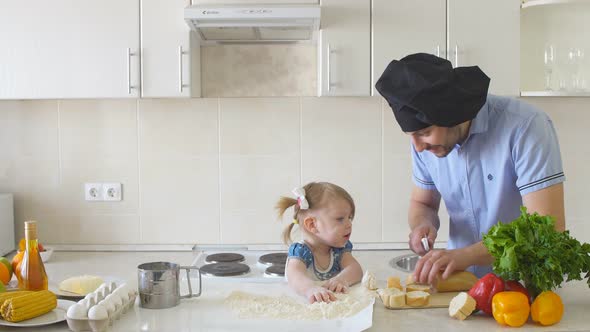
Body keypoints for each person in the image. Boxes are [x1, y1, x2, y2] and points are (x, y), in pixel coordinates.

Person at [375, 53, 566, 285]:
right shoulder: (425, 146)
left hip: (523, 287)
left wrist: (465, 256)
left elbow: (548, 226)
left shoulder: (526, 127)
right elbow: (422, 203)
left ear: (450, 116)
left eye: (424, 133)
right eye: (411, 136)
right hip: (460, 286)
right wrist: (422, 225)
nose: (417, 146)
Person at [276, 182, 363, 304]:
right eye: (340, 219)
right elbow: (295, 276)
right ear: (312, 225)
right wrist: (310, 289)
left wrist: (342, 280)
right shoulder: (301, 251)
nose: (349, 224)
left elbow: (355, 269)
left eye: (350, 217)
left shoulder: (339, 250)